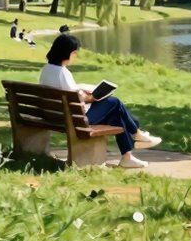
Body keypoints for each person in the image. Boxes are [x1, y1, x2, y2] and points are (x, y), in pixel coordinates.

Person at [39, 34, 161, 168]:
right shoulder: (62, 72)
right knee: (115, 102)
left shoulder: (47, 69)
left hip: (54, 116)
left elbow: (68, 92)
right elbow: (75, 99)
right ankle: (136, 133)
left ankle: (128, 154)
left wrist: (80, 90)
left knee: (117, 115)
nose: (75, 56)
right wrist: (90, 97)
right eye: (75, 53)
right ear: (69, 53)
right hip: (73, 119)